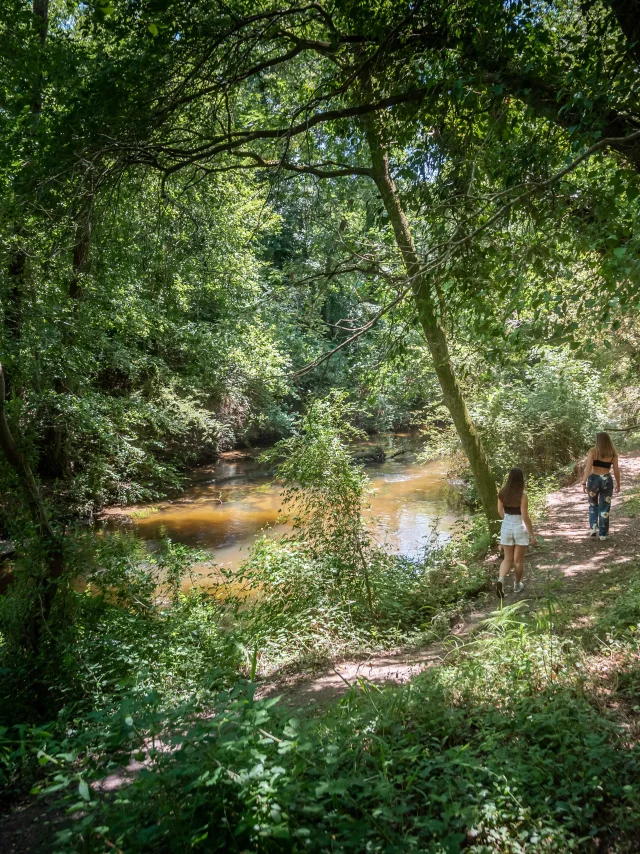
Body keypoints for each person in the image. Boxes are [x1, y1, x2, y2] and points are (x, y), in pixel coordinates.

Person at [496, 467, 536, 600]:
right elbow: (525, 516)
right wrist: (532, 535)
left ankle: (501, 579)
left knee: (507, 559)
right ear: (521, 480)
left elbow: (500, 511)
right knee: (518, 561)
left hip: (506, 527)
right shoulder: (522, 496)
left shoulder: (502, 493)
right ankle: (517, 585)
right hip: (519, 527)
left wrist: (507, 520)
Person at [582, 432, 620, 541]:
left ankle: (593, 528)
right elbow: (616, 471)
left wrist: (584, 482)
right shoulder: (613, 454)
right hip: (606, 480)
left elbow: (588, 468)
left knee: (593, 504)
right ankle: (603, 534)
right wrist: (618, 483)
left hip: (593, 479)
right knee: (605, 507)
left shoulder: (593, 451)